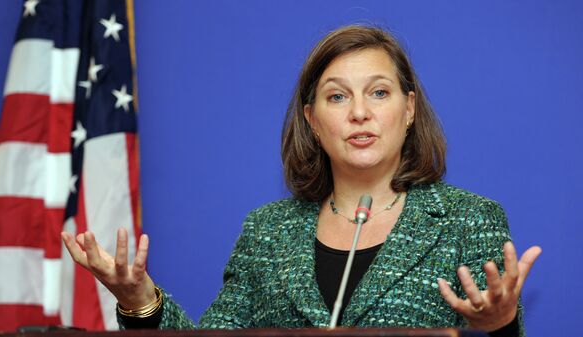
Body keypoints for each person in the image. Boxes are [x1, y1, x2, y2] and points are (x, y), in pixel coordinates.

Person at [62, 25, 541, 336]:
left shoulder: (467, 220)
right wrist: (141, 300)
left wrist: (499, 324)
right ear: (312, 119)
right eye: (337, 97)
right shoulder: (266, 231)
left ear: (409, 108)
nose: (359, 113)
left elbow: (499, 324)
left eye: (378, 92)